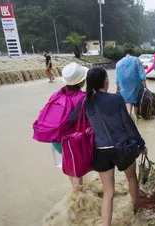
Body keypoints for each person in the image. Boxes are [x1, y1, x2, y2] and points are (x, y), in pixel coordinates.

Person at [70, 66, 148, 226]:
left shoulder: (86, 102)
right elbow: (128, 124)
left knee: (108, 193)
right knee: (132, 179)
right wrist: (141, 143)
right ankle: (135, 211)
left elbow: (72, 119)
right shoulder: (116, 99)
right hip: (123, 149)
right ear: (106, 81)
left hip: (101, 152)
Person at [51, 62, 88, 192]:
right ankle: (78, 199)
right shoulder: (83, 98)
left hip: (55, 140)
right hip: (72, 141)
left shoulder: (56, 95)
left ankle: (74, 192)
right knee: (78, 170)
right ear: (81, 82)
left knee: (69, 166)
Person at [116, 49, 147, 119]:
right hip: (136, 82)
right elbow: (141, 71)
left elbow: (117, 76)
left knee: (128, 100)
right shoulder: (136, 59)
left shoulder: (118, 63)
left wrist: (117, 85)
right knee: (136, 98)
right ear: (131, 53)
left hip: (123, 84)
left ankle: (129, 115)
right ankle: (137, 116)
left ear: (125, 54)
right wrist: (144, 82)